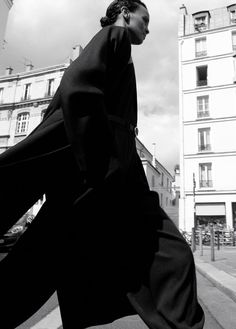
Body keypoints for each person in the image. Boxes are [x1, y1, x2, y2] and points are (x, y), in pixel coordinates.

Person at [0, 0, 205, 328]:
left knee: (44, 259)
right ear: (125, 12)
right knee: (42, 261)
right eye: (145, 19)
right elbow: (77, 84)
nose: (148, 28)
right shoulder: (115, 37)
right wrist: (98, 162)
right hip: (98, 170)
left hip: (116, 170)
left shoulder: (122, 50)